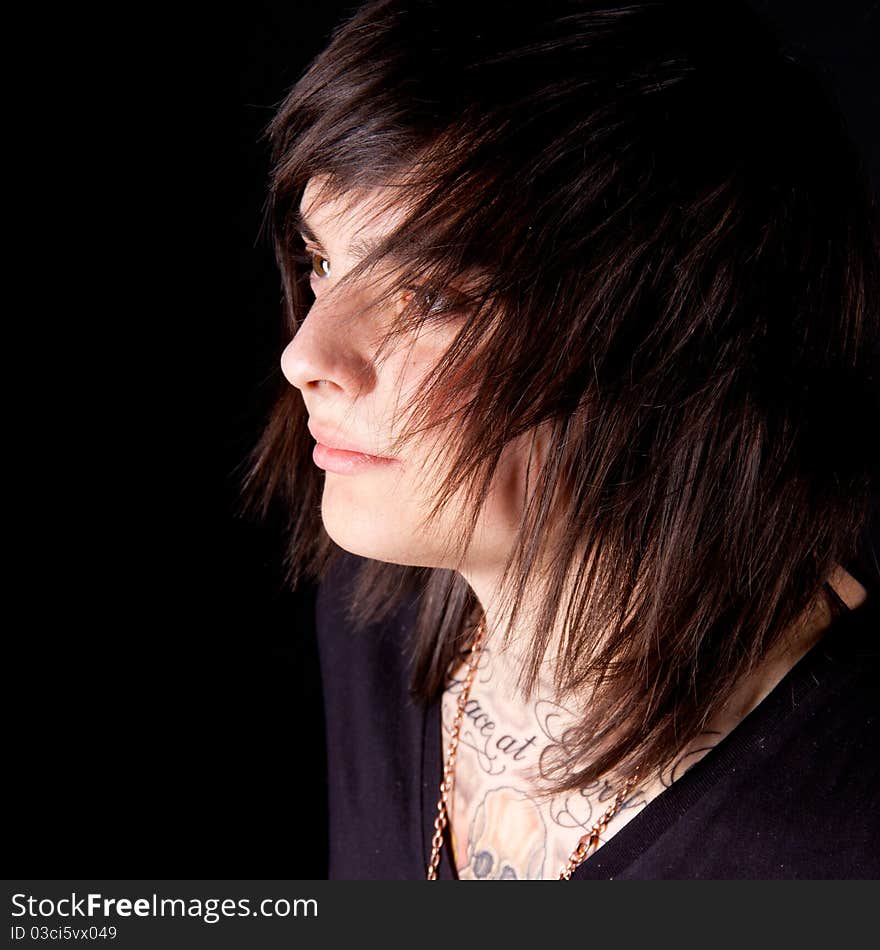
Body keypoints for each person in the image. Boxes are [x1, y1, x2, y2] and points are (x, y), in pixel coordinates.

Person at [238, 0, 880, 878]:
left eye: (429, 296)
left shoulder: (847, 827)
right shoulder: (372, 622)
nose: (303, 353)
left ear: (674, 342)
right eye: (322, 264)